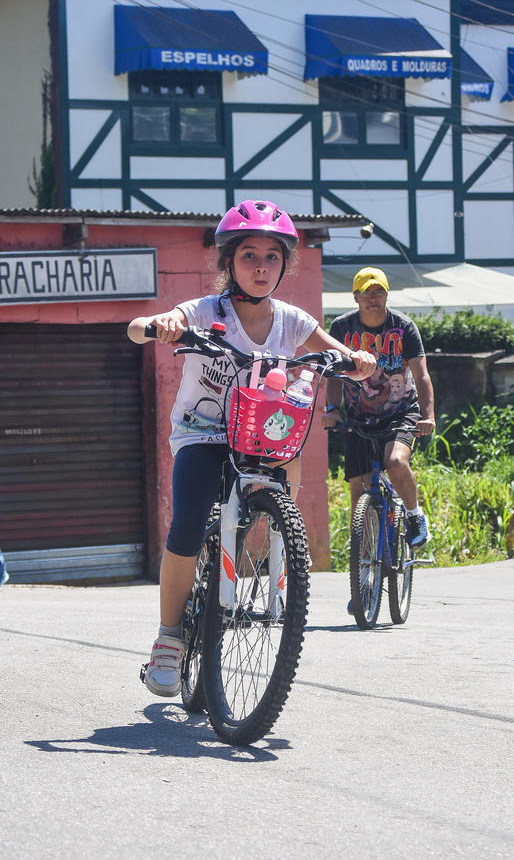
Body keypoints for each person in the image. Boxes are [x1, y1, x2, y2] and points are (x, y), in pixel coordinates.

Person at [128, 199, 376, 698]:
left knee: (278, 490)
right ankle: (170, 638)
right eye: (248, 256)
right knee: (190, 521)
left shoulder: (291, 320)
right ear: (228, 263)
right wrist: (160, 326)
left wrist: (358, 360)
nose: (261, 267)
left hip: (262, 435)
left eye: (271, 257)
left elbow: (340, 352)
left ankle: (271, 577)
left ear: (285, 264)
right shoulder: (204, 311)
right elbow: (136, 328)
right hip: (202, 434)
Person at [322, 266, 435, 553]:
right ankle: (363, 577)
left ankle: (414, 516)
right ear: (355, 297)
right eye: (366, 292)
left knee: (395, 462)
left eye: (379, 291)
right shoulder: (341, 328)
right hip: (359, 417)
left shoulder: (404, 326)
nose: (373, 297)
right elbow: (333, 374)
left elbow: (421, 375)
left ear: (386, 294)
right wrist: (333, 409)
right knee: (358, 493)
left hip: (400, 412)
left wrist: (428, 416)